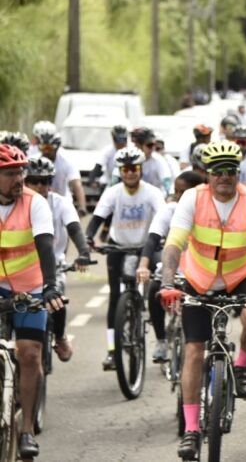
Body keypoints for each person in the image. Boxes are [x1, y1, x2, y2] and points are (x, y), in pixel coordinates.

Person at [158, 140, 246, 460]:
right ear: (207, 175)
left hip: (241, 274)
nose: (224, 177)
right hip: (198, 278)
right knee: (193, 352)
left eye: (230, 171)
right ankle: (190, 430)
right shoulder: (192, 197)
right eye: (217, 172)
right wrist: (166, 283)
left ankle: (241, 366)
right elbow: (174, 243)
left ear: (239, 173)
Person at [0, 144, 65, 458]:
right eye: (11, 172)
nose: (19, 178)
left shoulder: (34, 203)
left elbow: (45, 245)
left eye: (21, 171)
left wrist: (51, 286)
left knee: (29, 354)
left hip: (31, 289)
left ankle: (26, 429)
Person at [85, 146, 167, 369]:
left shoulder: (152, 192)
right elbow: (97, 218)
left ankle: (161, 338)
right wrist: (88, 238)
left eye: (134, 168)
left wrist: (165, 237)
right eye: (125, 169)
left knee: (155, 290)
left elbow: (162, 217)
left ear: (141, 169)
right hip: (118, 248)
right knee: (115, 298)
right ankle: (112, 351)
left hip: (146, 247)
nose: (130, 172)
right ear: (119, 171)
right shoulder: (112, 192)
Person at [25, 157, 91, 362]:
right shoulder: (18, 203)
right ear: (26, 181)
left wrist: (83, 252)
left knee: (57, 297)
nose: (39, 186)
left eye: (44, 181)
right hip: (24, 266)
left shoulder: (60, 203)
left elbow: (74, 228)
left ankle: (60, 336)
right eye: (34, 180)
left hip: (54, 262)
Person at [135, 171, 205, 363]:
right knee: (155, 291)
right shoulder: (169, 210)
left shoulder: (208, 211)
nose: (178, 196)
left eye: (184, 192)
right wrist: (143, 266)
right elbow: (152, 240)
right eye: (176, 191)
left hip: (200, 270)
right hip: (172, 267)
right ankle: (161, 340)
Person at [31, 121, 88, 217]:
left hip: (62, 202)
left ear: (56, 148)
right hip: (39, 201)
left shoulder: (66, 159)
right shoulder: (34, 160)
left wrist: (82, 207)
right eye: (43, 148)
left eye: (48, 149)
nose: (45, 152)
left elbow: (76, 185)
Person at [130, 127, 173, 196]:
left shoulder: (158, 160)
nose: (153, 148)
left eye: (154, 144)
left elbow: (166, 181)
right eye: (149, 145)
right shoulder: (129, 159)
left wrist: (170, 195)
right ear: (138, 145)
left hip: (154, 198)